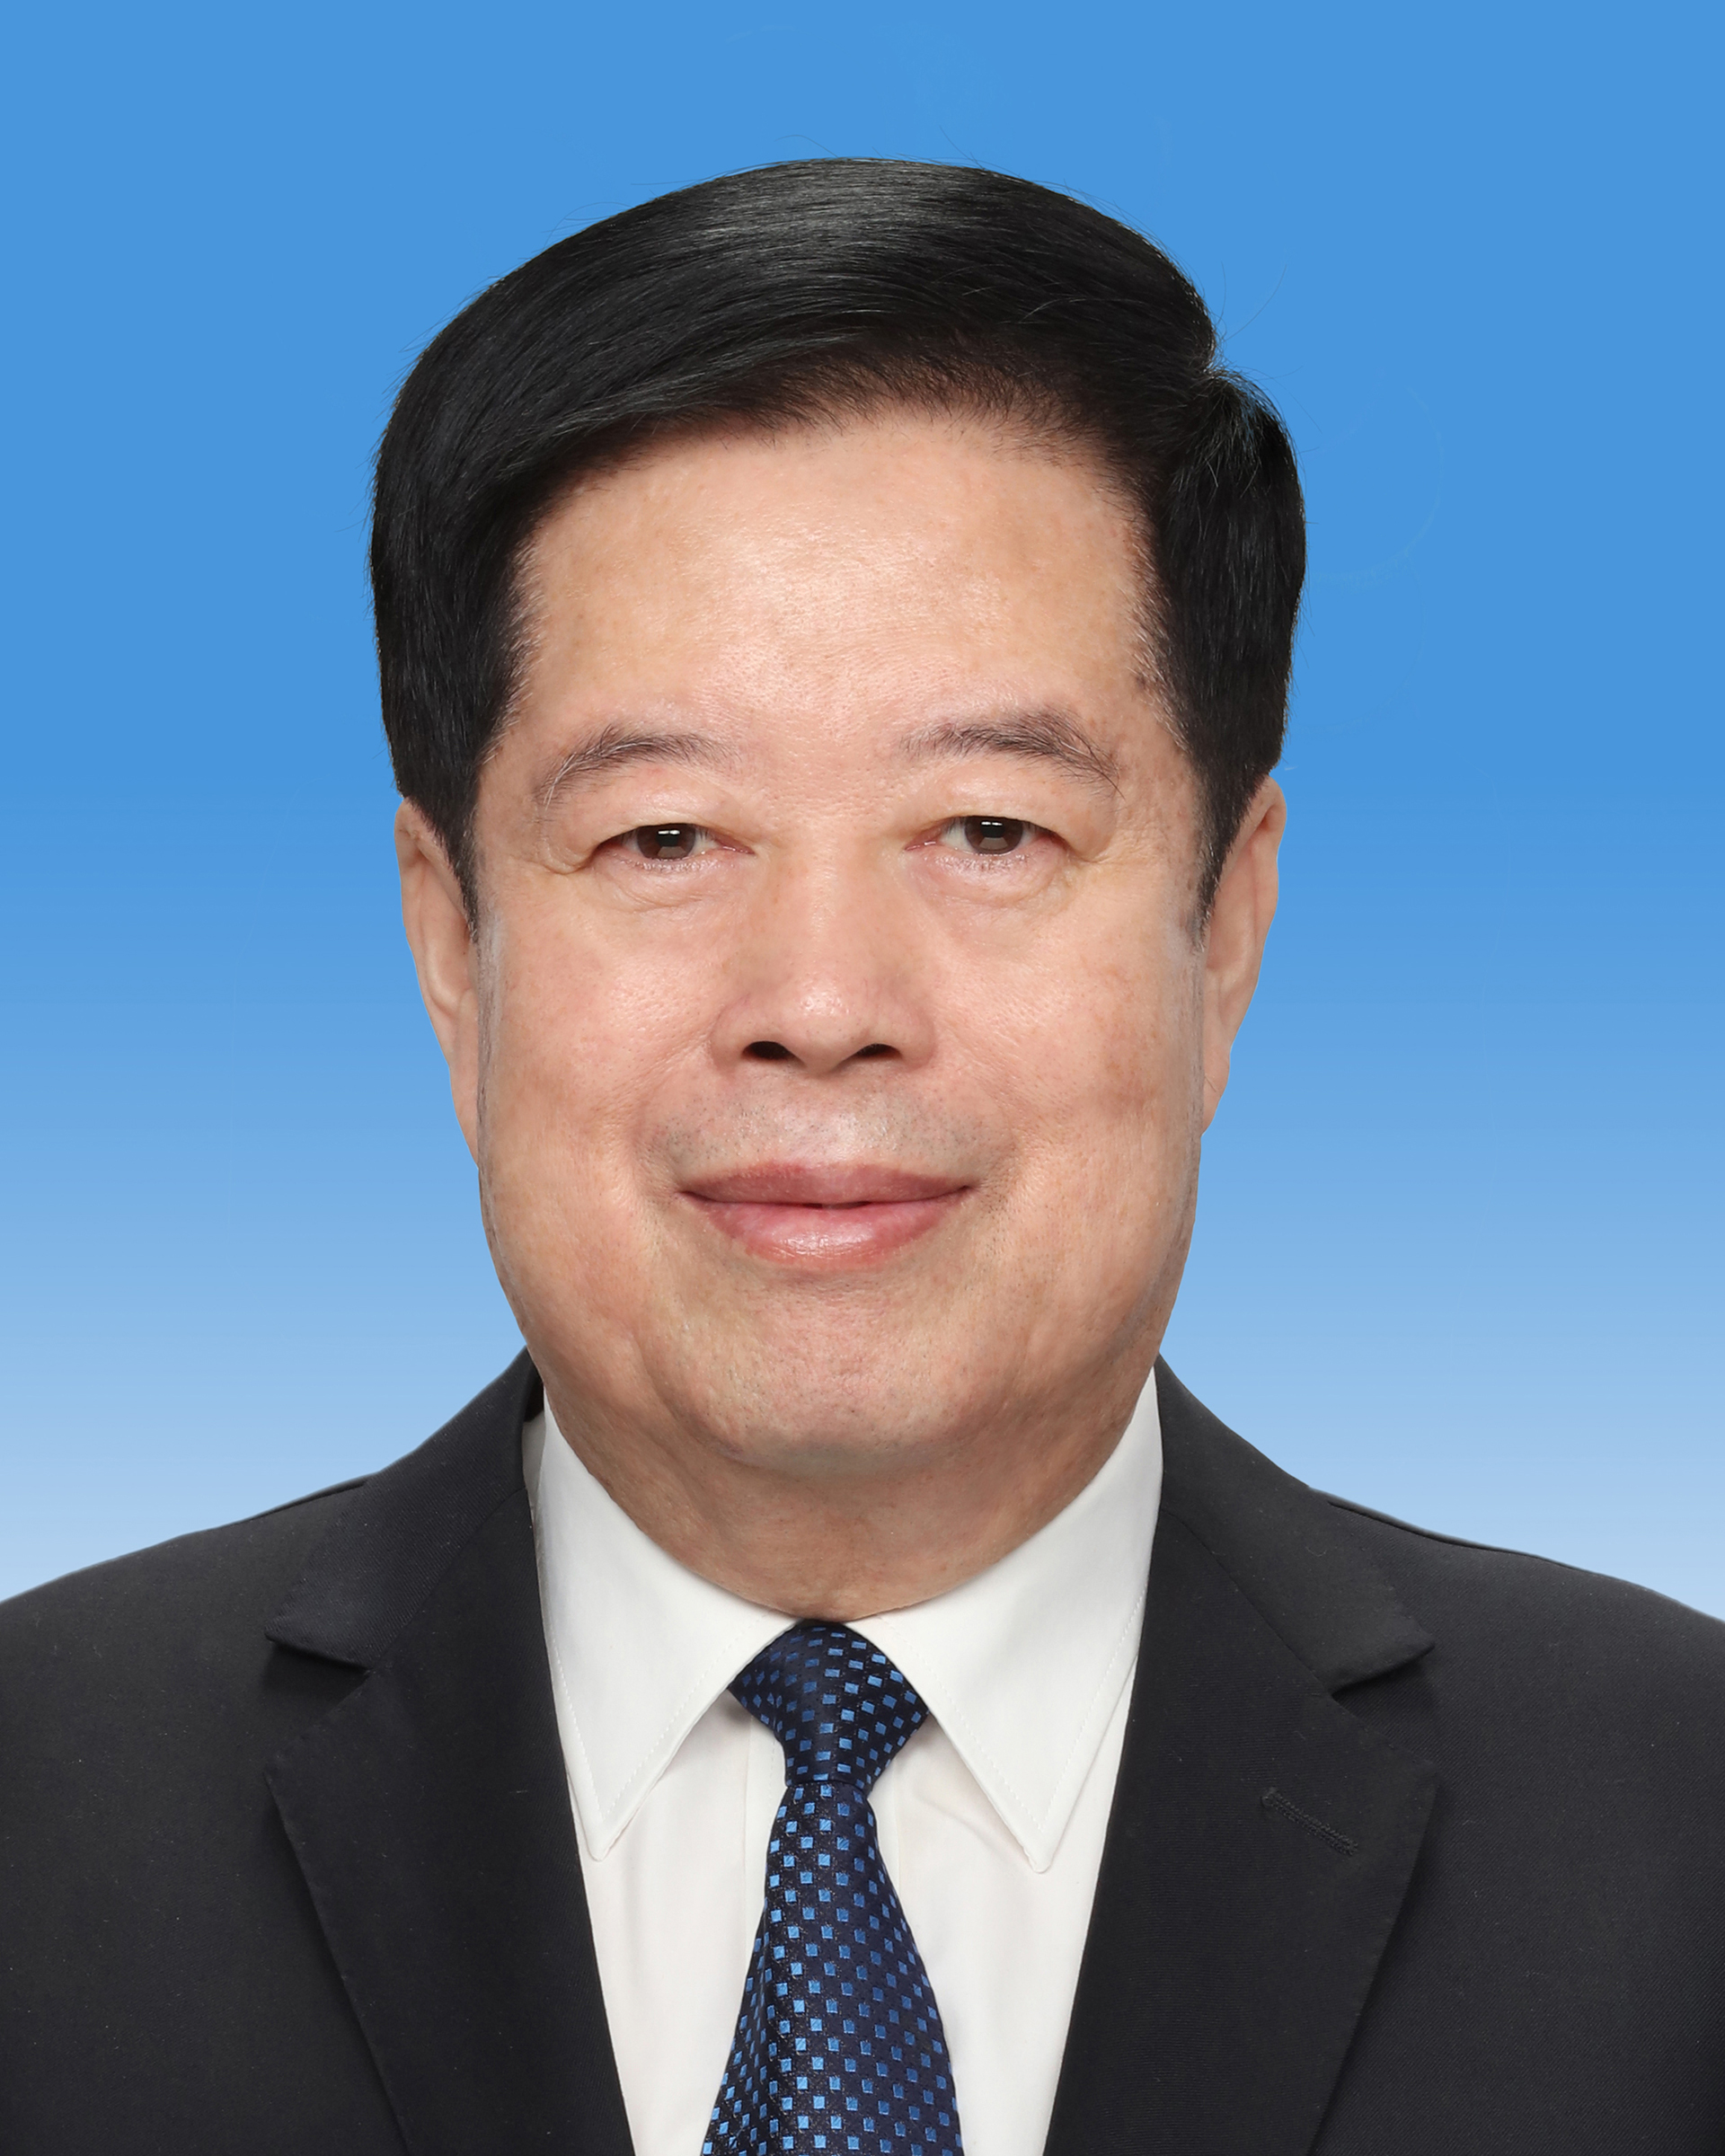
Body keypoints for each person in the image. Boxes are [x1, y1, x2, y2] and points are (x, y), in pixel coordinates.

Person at [3, 159, 1722, 2156]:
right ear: (452, 949)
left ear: (1226, 933)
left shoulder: (1675, 1821)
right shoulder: (41, 1799)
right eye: (664, 837)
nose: (821, 1002)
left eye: (990, 830)